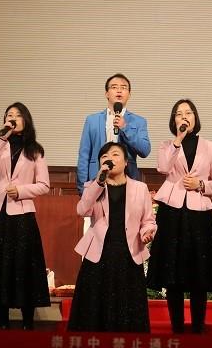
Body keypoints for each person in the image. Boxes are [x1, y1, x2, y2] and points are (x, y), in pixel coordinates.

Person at [146, 99, 212, 334]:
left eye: (188, 112)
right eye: (179, 114)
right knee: (173, 272)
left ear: (195, 117)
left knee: (198, 272)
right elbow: (162, 168)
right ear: (174, 121)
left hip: (199, 214)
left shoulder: (209, 146)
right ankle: (177, 327)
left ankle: (199, 326)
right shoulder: (167, 145)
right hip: (172, 212)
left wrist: (201, 184)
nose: (184, 117)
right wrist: (177, 141)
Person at [0, 102, 50, 330]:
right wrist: (1, 138)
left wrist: (22, 191)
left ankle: (28, 322)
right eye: (9, 115)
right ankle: (3, 322)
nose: (13, 117)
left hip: (22, 214)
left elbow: (44, 185)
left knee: (24, 264)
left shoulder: (35, 150)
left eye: (17, 115)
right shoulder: (1, 144)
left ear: (26, 120)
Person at [68, 142, 156, 332]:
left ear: (126, 162)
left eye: (116, 154)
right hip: (99, 254)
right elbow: (82, 210)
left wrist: (147, 232)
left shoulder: (140, 188)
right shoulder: (94, 186)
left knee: (127, 310)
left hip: (129, 254)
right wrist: (99, 182)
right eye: (104, 156)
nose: (109, 158)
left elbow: (148, 220)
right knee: (93, 310)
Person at [77, 73, 151, 194]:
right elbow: (84, 155)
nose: (119, 90)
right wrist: (82, 188)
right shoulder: (92, 120)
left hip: (127, 180)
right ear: (106, 94)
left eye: (124, 87)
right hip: (96, 179)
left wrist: (125, 128)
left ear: (129, 95)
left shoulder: (139, 121)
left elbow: (145, 150)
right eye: (114, 87)